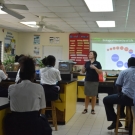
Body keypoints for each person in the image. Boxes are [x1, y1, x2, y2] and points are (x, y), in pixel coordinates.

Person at [4, 57, 52, 135]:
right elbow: (42, 108)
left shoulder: (11, 87)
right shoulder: (39, 88)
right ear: (33, 75)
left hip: (15, 124)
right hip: (33, 124)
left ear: (20, 74)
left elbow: (10, 105)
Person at [103, 57, 135, 130]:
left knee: (106, 100)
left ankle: (115, 121)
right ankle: (127, 121)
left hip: (127, 98)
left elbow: (118, 86)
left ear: (127, 64)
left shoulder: (124, 72)